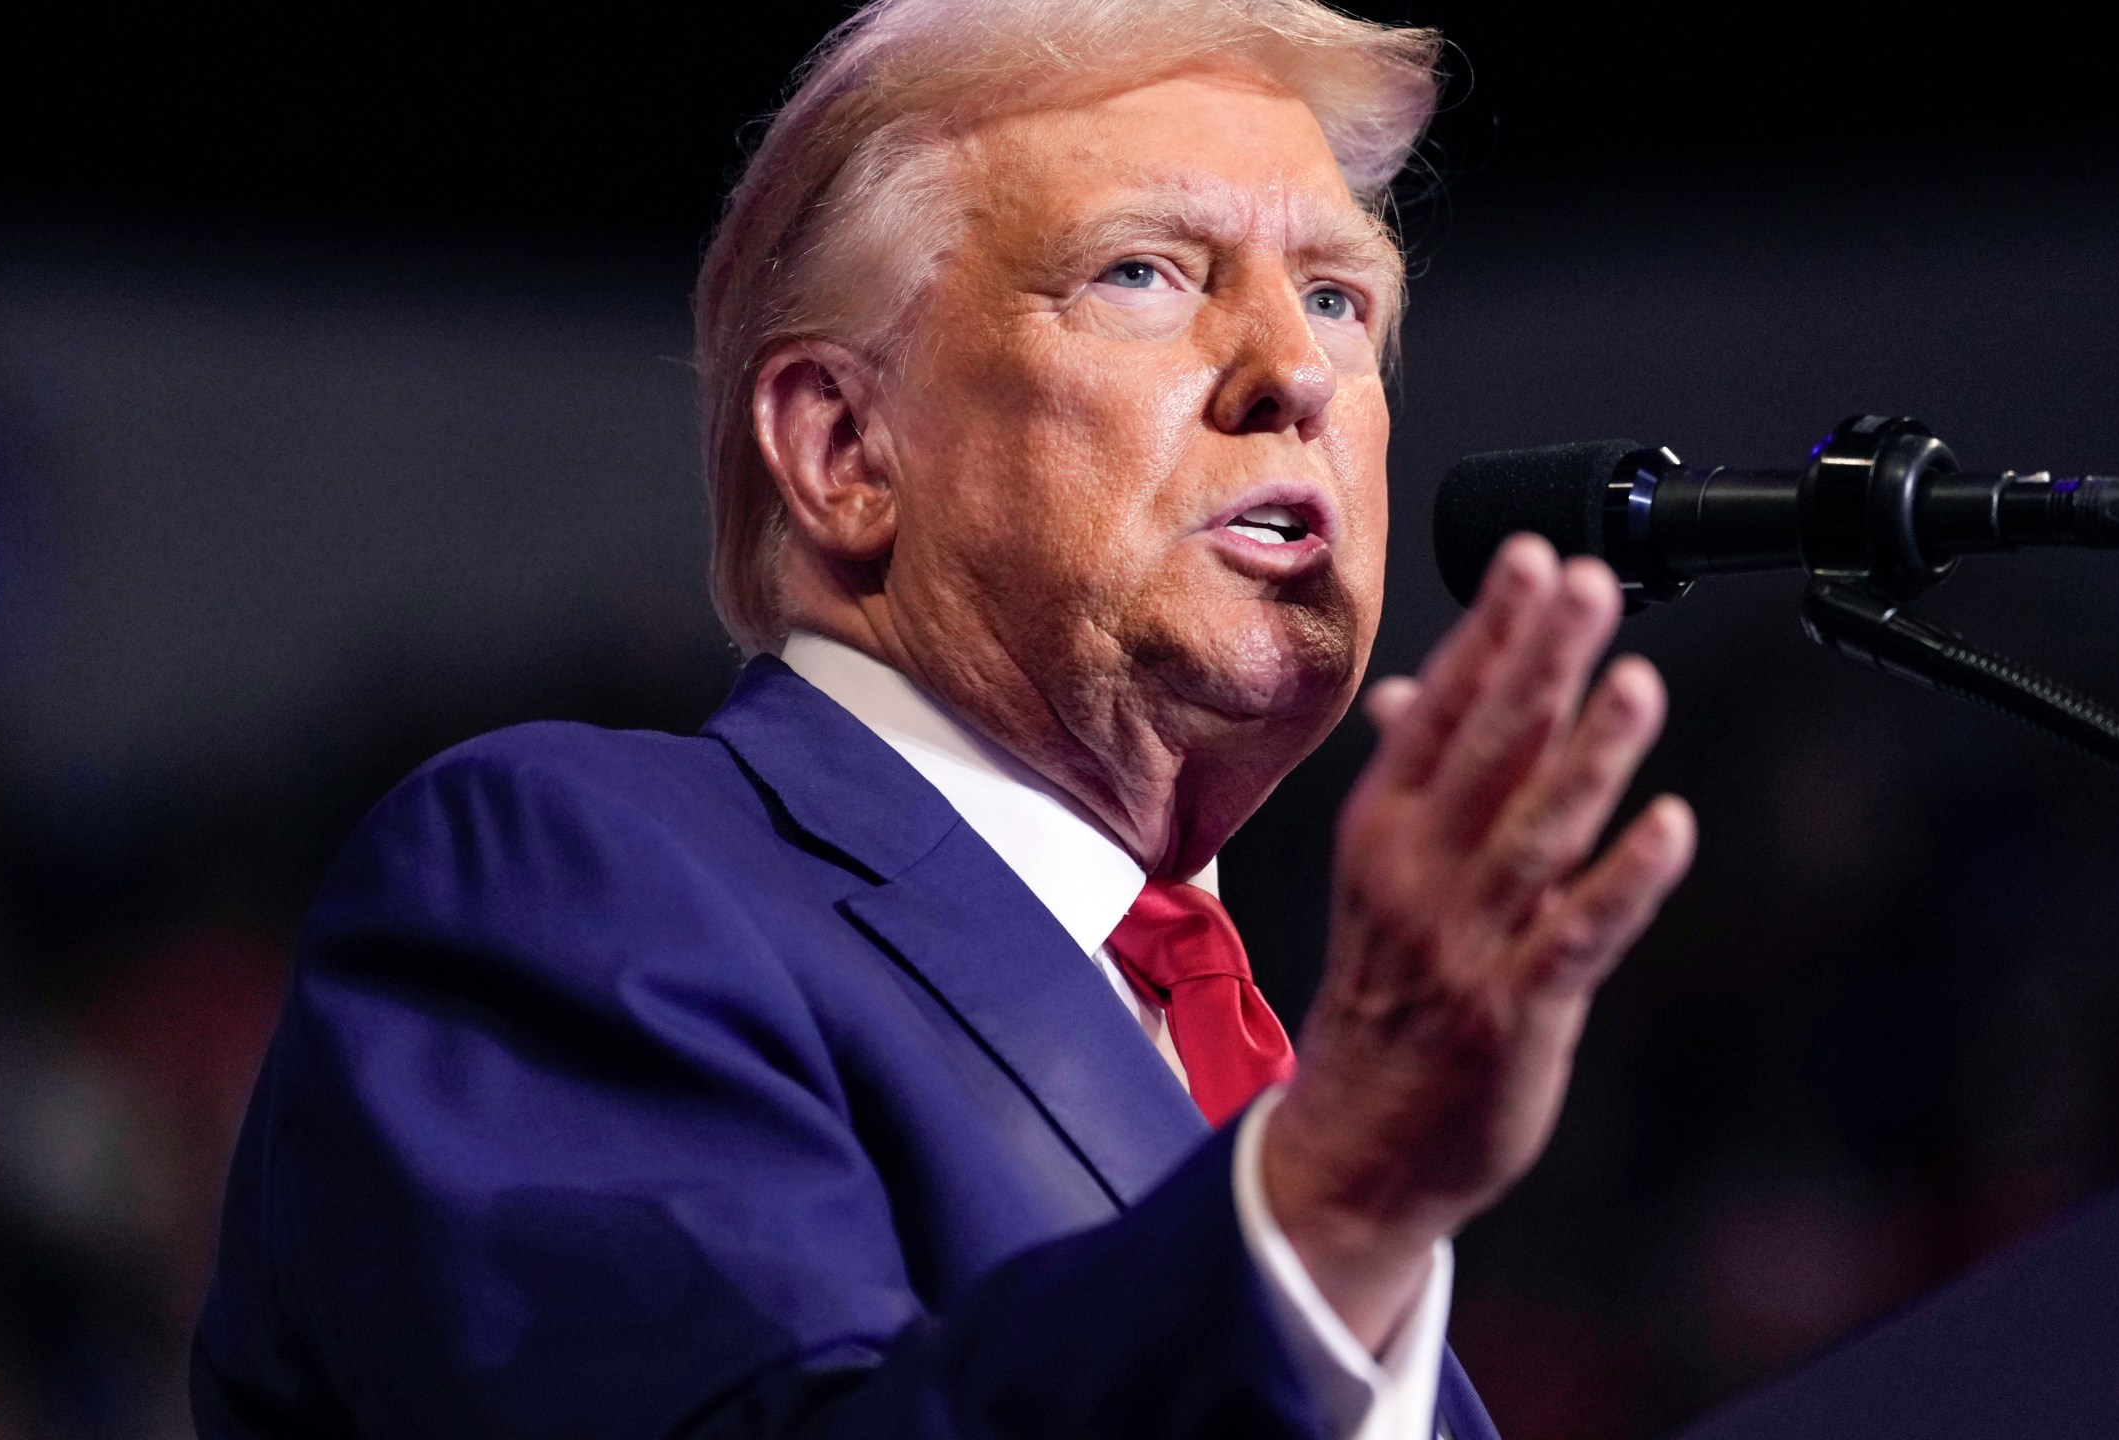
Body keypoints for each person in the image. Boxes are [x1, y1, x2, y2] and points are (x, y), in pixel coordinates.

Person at [191, 1, 1698, 1436]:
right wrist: (1337, 1202)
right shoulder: (564, 883)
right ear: (845, 449)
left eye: (1335, 294)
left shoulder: (1253, 1051)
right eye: (1144, 273)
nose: (1297, 371)